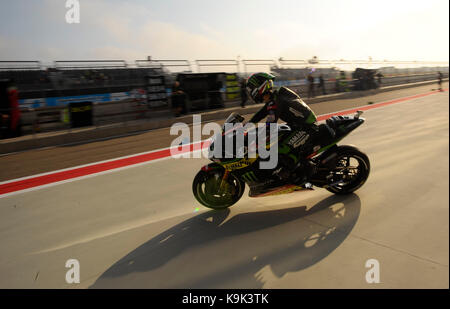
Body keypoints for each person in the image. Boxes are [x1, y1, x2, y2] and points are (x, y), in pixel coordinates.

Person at [245, 72, 332, 188]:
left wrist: (252, 138)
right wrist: (246, 126)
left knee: (282, 149)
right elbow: (261, 114)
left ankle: (298, 178)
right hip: (297, 125)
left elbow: (270, 125)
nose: (250, 92)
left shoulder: (276, 101)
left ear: (260, 87)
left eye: (251, 88)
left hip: (307, 127)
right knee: (276, 143)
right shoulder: (274, 98)